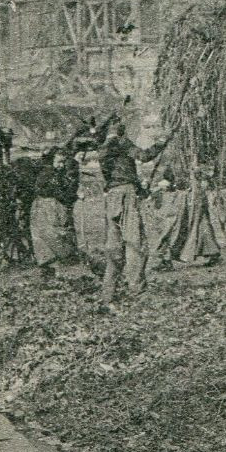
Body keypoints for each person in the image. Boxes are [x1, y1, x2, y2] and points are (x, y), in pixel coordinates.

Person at [94, 117, 168, 309]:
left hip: (112, 196)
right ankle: (138, 291)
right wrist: (162, 142)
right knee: (136, 242)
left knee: (114, 246)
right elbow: (144, 156)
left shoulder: (104, 147)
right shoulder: (120, 142)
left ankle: (108, 293)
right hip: (126, 196)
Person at [29, 148, 74, 278]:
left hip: (46, 206)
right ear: (52, 160)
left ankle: (49, 268)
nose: (61, 165)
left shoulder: (54, 173)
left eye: (63, 162)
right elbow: (56, 191)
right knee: (52, 235)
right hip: (48, 207)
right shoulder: (49, 174)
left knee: (44, 237)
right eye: (59, 162)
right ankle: (52, 267)